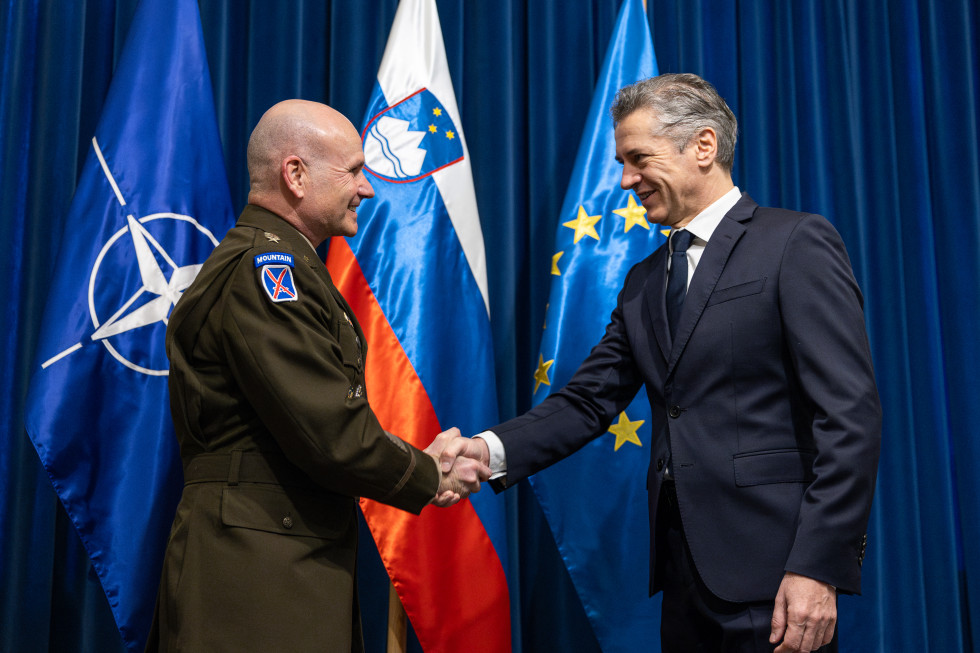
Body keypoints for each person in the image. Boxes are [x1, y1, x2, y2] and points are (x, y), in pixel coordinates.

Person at [440, 73, 881, 652]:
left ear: (702, 146)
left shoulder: (794, 242)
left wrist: (818, 567)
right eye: (623, 163)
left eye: (638, 158)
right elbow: (586, 400)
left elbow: (850, 418)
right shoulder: (644, 282)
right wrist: (487, 450)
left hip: (777, 578)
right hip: (683, 581)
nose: (626, 180)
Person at [145, 100, 487, 653]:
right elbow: (328, 432)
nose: (367, 189)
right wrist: (429, 473)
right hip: (257, 577)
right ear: (296, 174)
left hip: (277, 557)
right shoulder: (265, 273)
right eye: (353, 170)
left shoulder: (284, 265)